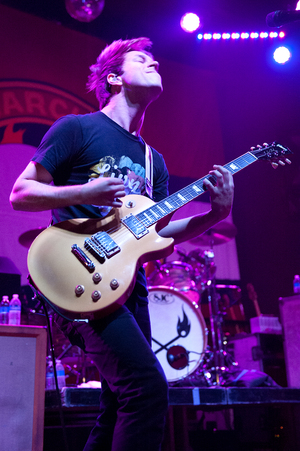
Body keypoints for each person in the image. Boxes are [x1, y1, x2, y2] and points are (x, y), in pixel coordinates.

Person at [10, 37, 234, 451]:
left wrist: (211, 216)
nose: (153, 64)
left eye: (155, 60)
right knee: (147, 389)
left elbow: (158, 237)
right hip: (77, 275)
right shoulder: (78, 128)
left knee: (118, 405)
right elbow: (20, 194)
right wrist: (83, 193)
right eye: (140, 59)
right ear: (114, 77)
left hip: (129, 288)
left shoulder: (155, 162)